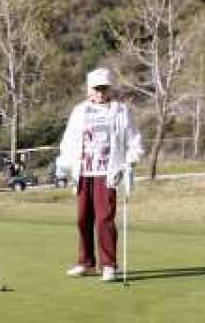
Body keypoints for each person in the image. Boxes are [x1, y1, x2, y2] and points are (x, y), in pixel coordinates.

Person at [55, 68, 143, 282]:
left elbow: (133, 139)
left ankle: (109, 265)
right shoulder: (79, 111)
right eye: (97, 89)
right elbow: (69, 141)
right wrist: (63, 165)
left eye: (104, 88)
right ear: (89, 90)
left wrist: (131, 161)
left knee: (104, 219)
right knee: (83, 219)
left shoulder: (121, 111)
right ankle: (86, 263)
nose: (101, 93)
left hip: (108, 171)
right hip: (83, 171)